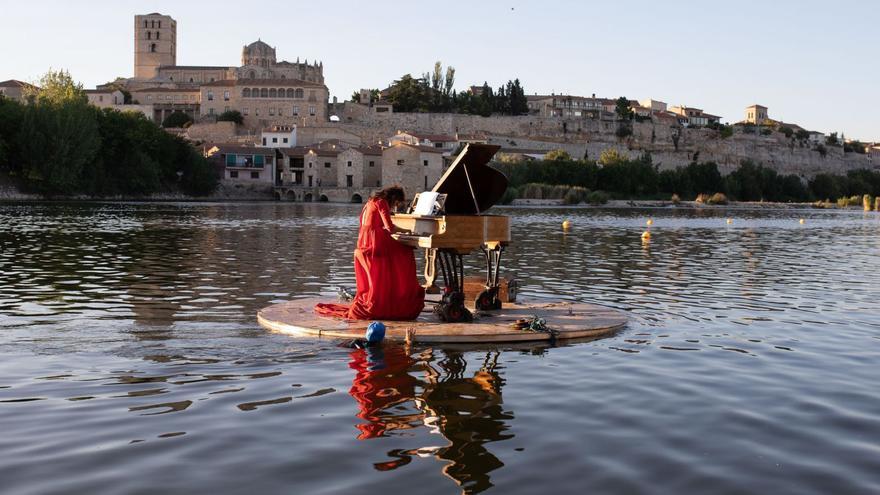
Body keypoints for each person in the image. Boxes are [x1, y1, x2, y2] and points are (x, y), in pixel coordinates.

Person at [316, 186, 425, 320]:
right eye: (396, 203)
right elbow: (390, 227)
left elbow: (366, 223)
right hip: (375, 243)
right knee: (406, 252)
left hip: (364, 241)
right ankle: (401, 297)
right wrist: (407, 231)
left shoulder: (370, 202)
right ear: (393, 198)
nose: (395, 207)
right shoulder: (382, 203)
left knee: (399, 252)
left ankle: (391, 295)